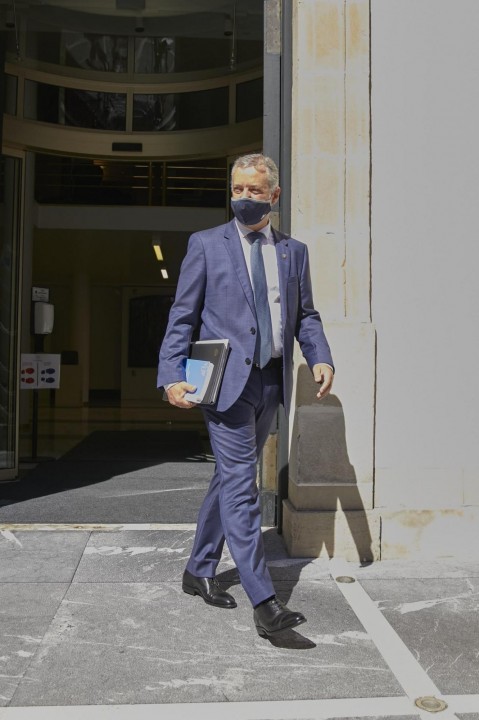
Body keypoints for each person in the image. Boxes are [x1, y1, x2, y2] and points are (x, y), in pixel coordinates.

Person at [157, 153, 334, 638]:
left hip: (270, 380)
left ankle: (198, 568)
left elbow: (306, 315)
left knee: (228, 477)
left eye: (254, 190)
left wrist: (320, 356)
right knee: (241, 486)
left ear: (274, 195)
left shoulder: (293, 252)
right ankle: (265, 602)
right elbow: (182, 316)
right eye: (237, 189)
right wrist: (171, 375)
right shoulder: (206, 244)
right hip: (224, 385)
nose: (243, 198)